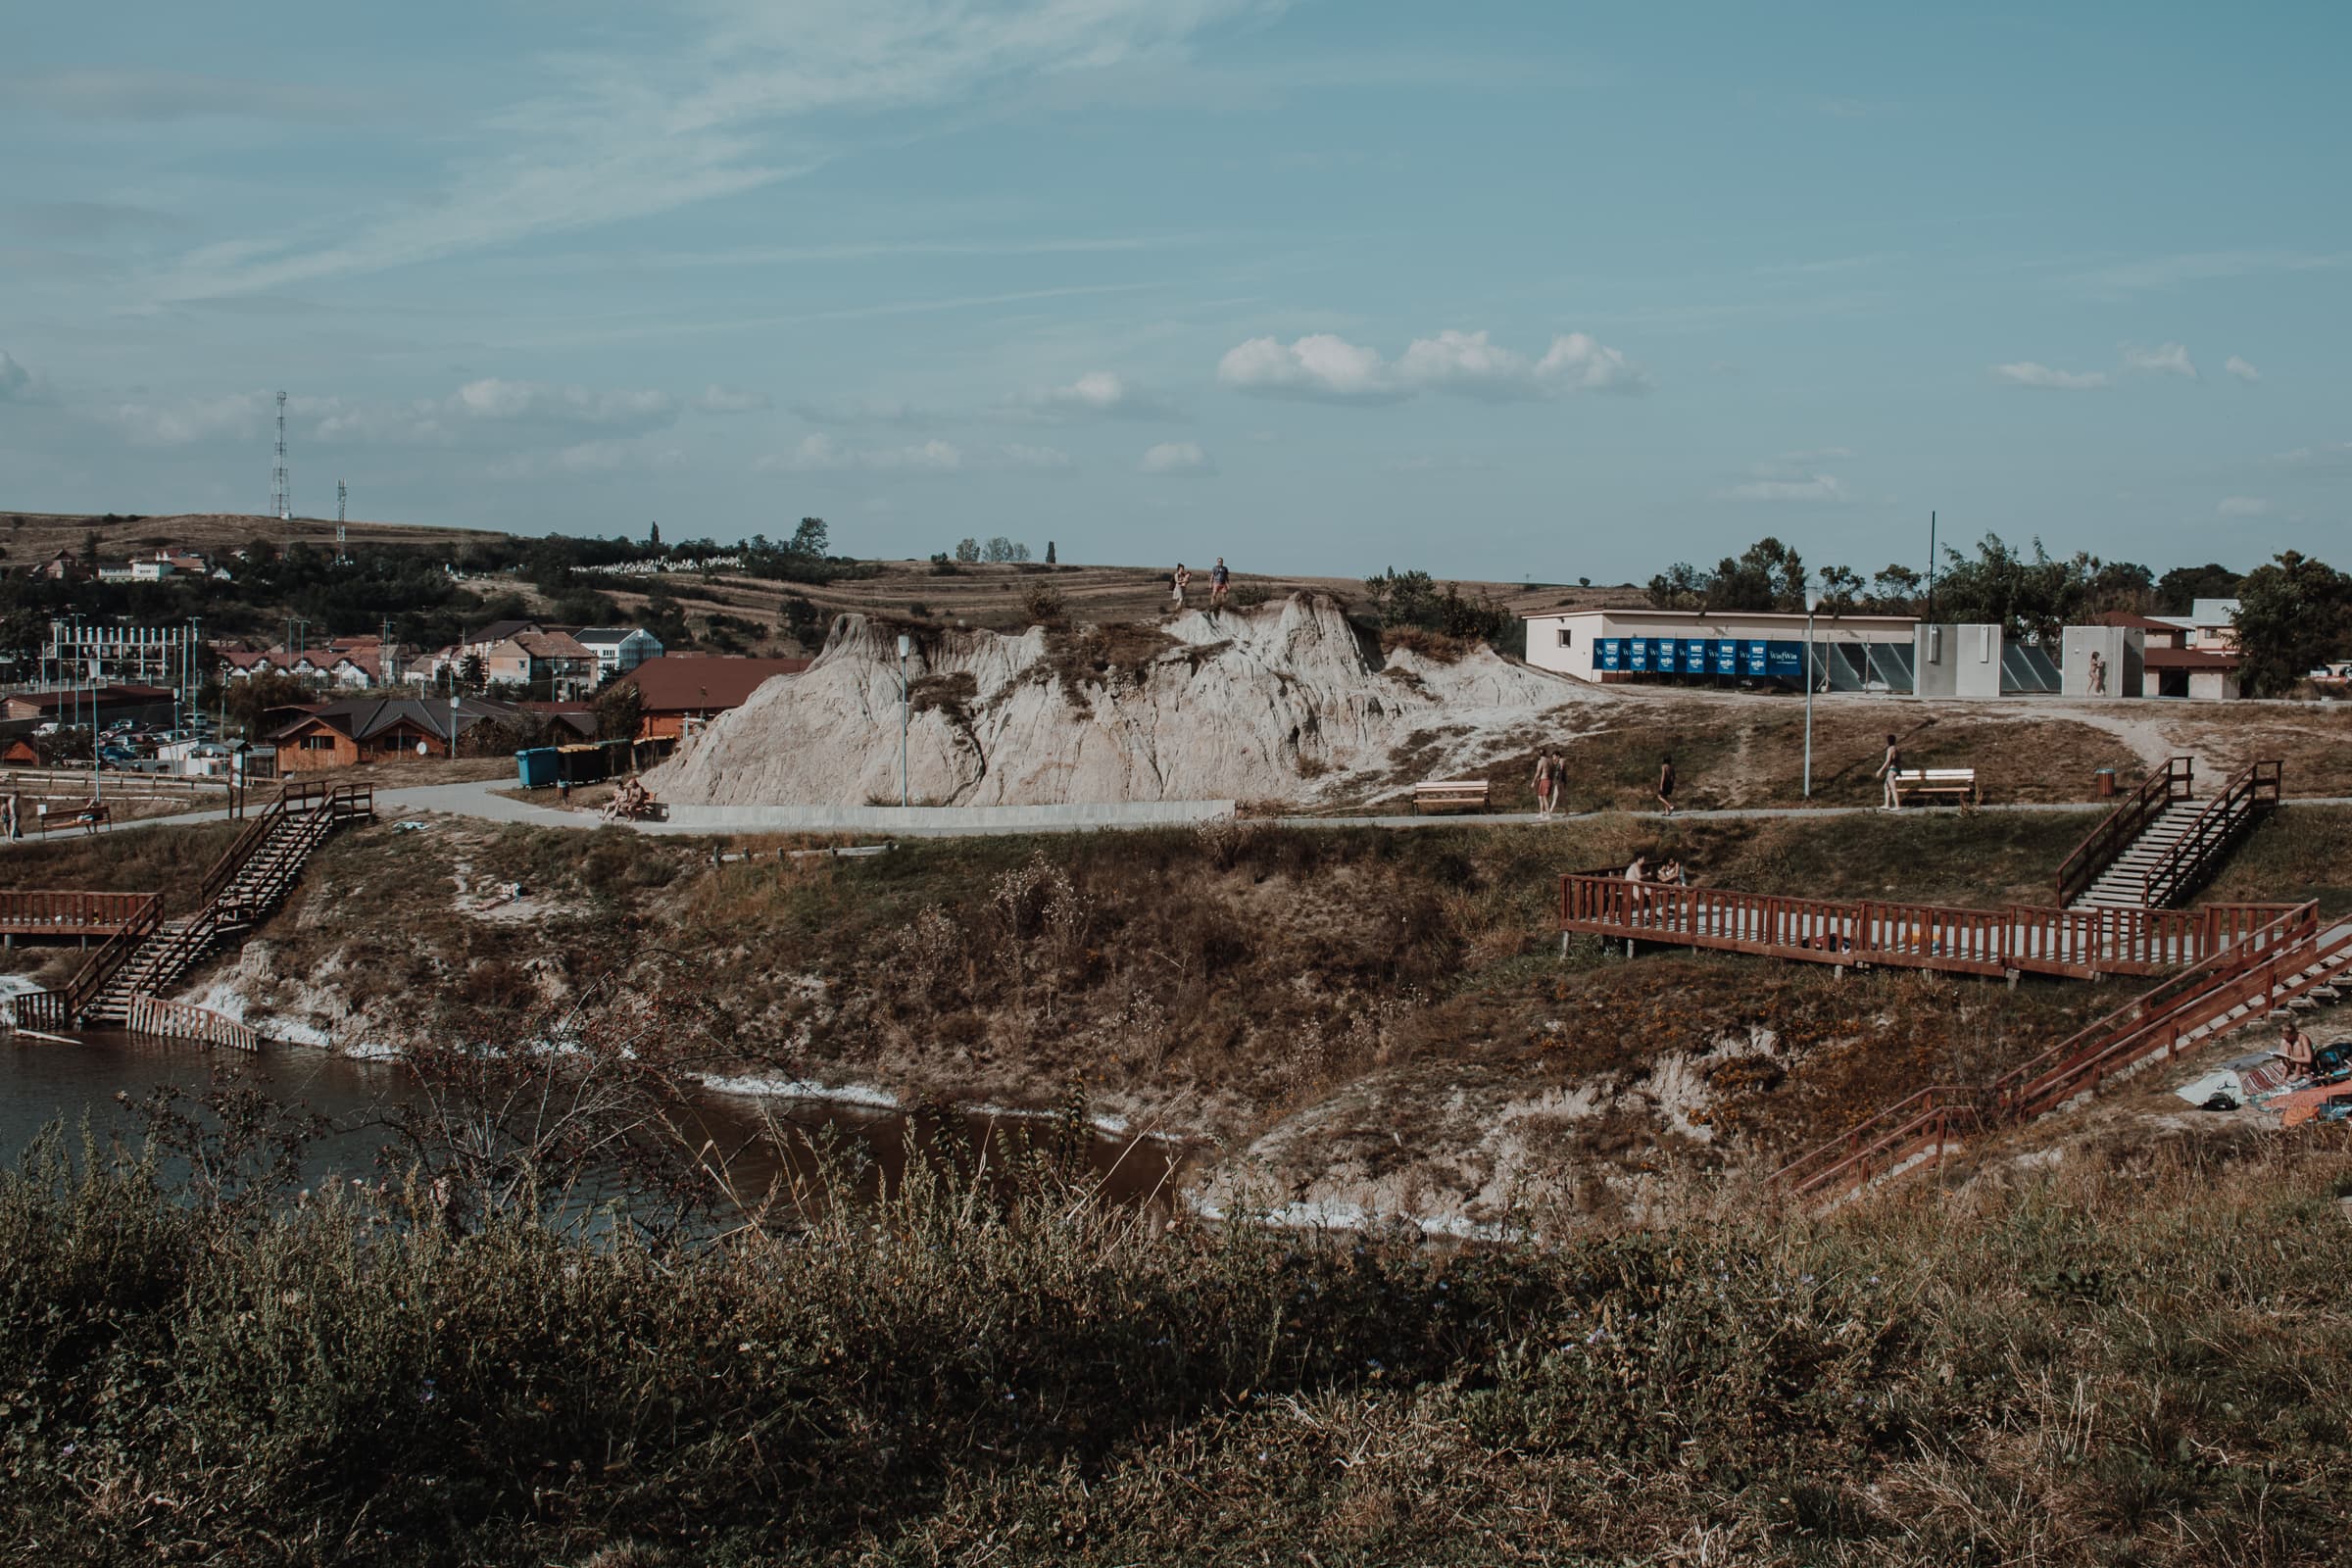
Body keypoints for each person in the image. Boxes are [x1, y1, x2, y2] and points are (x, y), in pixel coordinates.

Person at [1877, 732, 1902, 810]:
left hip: (1891, 770)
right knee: (1886, 786)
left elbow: (1887, 761)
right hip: (1895, 769)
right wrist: (1899, 771)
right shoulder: (1897, 749)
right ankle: (1887, 804)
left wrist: (1880, 770)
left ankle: (1897, 806)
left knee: (1893, 788)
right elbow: (1899, 761)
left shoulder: (1890, 749)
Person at [1532, 751, 1556, 819]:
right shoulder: (1550, 761)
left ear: (1539, 754)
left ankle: (1548, 814)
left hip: (1544, 780)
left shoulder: (1541, 761)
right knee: (1540, 796)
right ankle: (1541, 813)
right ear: (1545, 753)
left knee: (1544, 797)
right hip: (1549, 780)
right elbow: (1553, 771)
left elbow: (1538, 772)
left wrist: (1533, 781)